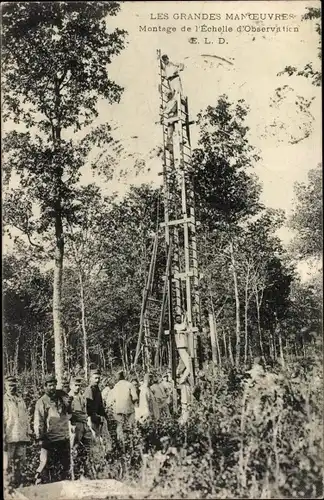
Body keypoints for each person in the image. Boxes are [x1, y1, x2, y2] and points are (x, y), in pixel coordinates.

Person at [34, 374, 73, 484]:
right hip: (50, 439)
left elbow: (69, 412)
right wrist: (40, 437)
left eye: (54, 385)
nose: (52, 388)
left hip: (63, 437)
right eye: (50, 385)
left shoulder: (61, 398)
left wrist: (67, 399)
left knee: (64, 466)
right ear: (45, 386)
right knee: (46, 466)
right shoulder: (41, 402)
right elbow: (39, 421)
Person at [3, 375, 31, 488]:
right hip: (9, 438)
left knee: (21, 465)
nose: (12, 388)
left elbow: (25, 418)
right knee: (7, 465)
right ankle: (7, 489)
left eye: (14, 386)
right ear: (5, 386)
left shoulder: (21, 400)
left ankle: (20, 487)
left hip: (21, 437)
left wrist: (28, 432)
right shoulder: (4, 401)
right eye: (9, 386)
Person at [69, 376, 93, 479]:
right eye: (76, 385)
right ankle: (74, 474)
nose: (78, 387)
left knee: (87, 448)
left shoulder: (82, 396)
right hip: (75, 425)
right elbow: (70, 414)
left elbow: (85, 411)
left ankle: (85, 473)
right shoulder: (69, 398)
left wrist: (85, 418)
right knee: (74, 449)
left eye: (79, 385)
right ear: (71, 386)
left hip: (84, 424)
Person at [109, 370, 139, 443]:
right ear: (124, 376)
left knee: (120, 427)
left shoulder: (116, 386)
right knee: (131, 426)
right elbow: (135, 398)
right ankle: (132, 442)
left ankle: (121, 443)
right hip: (129, 410)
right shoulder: (129, 384)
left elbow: (112, 400)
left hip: (118, 410)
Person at [83, 368, 108, 438]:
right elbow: (89, 407)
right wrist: (94, 417)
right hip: (91, 418)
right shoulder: (89, 390)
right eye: (95, 378)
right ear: (90, 378)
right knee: (95, 438)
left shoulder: (97, 389)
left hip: (98, 417)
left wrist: (104, 415)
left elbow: (100, 404)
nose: (97, 380)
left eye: (99, 378)